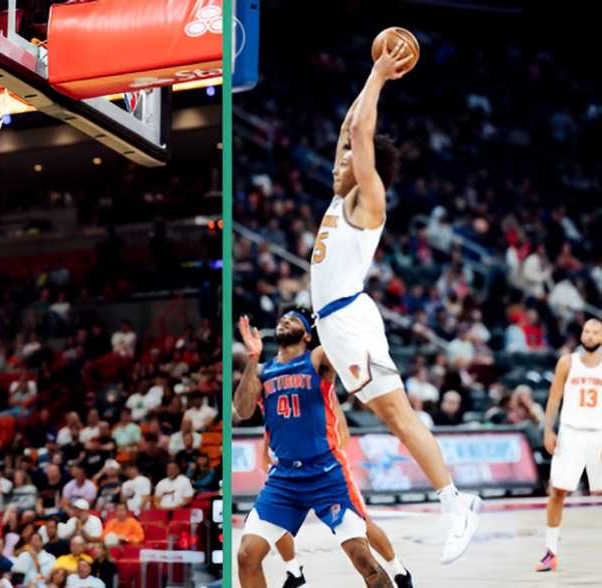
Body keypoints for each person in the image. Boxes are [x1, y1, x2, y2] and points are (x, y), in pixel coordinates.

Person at [308, 38, 480, 564]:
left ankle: (456, 502)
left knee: (398, 417)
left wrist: (380, 74)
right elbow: (348, 129)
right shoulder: (343, 196)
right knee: (361, 405)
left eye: (348, 162)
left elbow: (360, 134)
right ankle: (325, 482)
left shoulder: (368, 198)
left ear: (365, 169)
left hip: (350, 320)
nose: (336, 164)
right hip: (332, 324)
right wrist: (369, 78)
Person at [234, 313, 389, 587]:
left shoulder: (316, 358)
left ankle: (395, 569)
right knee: (247, 555)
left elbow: (343, 353)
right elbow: (243, 410)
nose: (284, 322)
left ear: (307, 334)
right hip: (284, 478)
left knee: (363, 560)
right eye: (281, 320)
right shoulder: (263, 370)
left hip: (326, 473)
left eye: (293, 321)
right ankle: (294, 571)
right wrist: (252, 357)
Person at [537, 319, 602, 572]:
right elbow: (554, 399)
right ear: (581, 334)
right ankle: (550, 552)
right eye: (587, 331)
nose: (590, 335)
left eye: (596, 331)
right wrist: (548, 430)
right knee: (558, 491)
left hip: (599, 434)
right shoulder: (567, 362)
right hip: (571, 433)